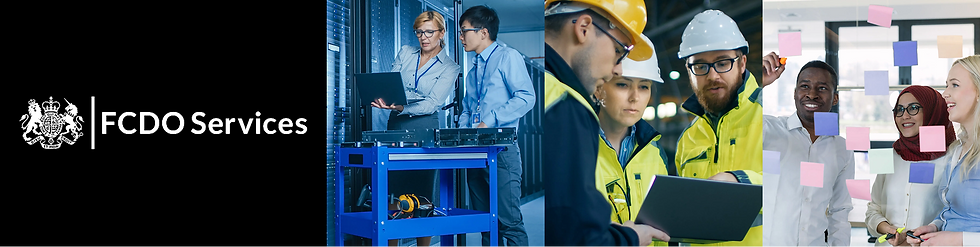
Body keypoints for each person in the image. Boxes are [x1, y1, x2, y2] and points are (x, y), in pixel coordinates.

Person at [542, 0, 668, 246]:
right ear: (584, 28)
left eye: (644, 87)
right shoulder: (566, 106)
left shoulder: (538, 85)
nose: (617, 69)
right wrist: (629, 238)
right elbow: (579, 238)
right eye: (619, 50)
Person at [369, 10, 460, 247]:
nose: (424, 37)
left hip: (424, 128)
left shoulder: (450, 67)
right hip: (396, 125)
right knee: (393, 190)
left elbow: (432, 103)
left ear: (442, 33)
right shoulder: (405, 53)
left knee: (422, 194)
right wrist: (385, 99)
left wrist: (401, 104)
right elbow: (390, 83)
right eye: (419, 32)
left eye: (429, 32)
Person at [673, 9, 763, 247]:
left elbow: (799, 188)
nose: (712, 75)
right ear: (689, 72)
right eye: (700, 66)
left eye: (722, 63)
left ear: (742, 63)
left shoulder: (774, 117)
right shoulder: (688, 139)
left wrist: (739, 181)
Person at [456, 5, 535, 247]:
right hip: (474, 151)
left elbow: (526, 97)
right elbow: (468, 110)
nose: (460, 37)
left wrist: (488, 121)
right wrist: (461, 130)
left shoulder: (507, 57)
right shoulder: (473, 71)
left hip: (501, 150)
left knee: (508, 221)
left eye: (464, 31)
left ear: (483, 32)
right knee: (485, 223)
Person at [759, 54, 854, 246]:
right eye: (805, 86)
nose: (812, 94)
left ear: (835, 98)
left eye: (822, 88)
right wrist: (756, 83)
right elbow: (735, 121)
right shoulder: (769, 130)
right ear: (794, 94)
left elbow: (840, 212)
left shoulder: (842, 149)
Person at [593, 51, 676, 247]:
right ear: (598, 89)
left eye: (644, 87)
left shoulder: (655, 152)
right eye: (623, 84)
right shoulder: (575, 146)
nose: (635, 97)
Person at [865, 85, 955, 247]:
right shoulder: (891, 155)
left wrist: (916, 238)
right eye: (899, 109)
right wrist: (887, 229)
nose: (904, 115)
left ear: (932, 111)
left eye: (913, 108)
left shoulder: (953, 157)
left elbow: (955, 214)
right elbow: (873, 208)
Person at [906, 55, 980, 247]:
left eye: (954, 85)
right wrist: (935, 226)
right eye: (946, 85)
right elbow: (953, 210)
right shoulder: (957, 150)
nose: (944, 93)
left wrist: (959, 240)